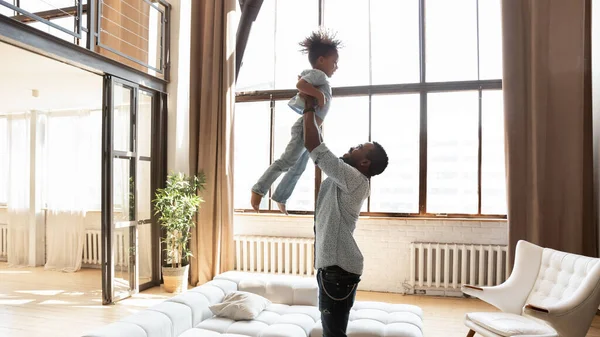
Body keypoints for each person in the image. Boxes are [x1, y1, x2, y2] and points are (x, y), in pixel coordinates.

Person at [302, 97, 389, 336]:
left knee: (333, 333)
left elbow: (314, 146)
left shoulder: (354, 178)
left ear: (364, 162)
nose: (352, 147)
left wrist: (309, 107)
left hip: (337, 270)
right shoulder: (346, 176)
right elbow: (317, 148)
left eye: (359, 147)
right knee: (333, 331)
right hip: (333, 267)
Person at [250, 29, 341, 214]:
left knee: (298, 166)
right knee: (287, 161)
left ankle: (281, 197)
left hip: (312, 129)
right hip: (305, 129)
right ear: (321, 60)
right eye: (334, 62)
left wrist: (318, 94)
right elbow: (300, 85)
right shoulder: (319, 75)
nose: (336, 67)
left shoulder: (320, 77)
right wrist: (319, 95)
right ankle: (258, 189)